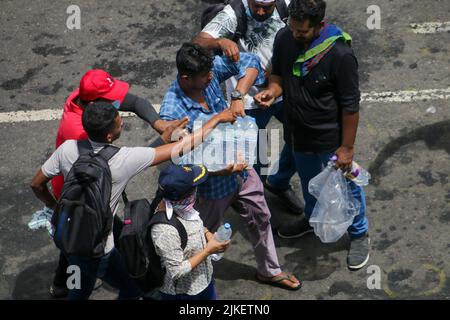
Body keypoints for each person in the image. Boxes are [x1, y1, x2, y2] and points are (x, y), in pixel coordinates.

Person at [30, 101, 236, 300]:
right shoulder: (123, 159)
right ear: (110, 135)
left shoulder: (67, 149)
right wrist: (217, 119)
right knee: (129, 290)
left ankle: (62, 287)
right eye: (120, 123)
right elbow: (182, 147)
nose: (122, 123)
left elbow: (37, 184)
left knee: (77, 278)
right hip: (99, 248)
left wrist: (54, 206)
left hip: (67, 232)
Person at [160, 43, 301, 290]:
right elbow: (180, 160)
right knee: (202, 239)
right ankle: (191, 285)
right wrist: (218, 168)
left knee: (261, 216)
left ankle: (269, 270)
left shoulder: (208, 70)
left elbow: (251, 63)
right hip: (210, 188)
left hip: (242, 171)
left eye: (211, 72)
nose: (212, 77)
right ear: (186, 78)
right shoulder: (173, 111)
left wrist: (238, 95)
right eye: (205, 76)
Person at [40, 68, 187, 298]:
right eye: (118, 122)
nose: (120, 111)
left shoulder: (81, 102)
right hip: (84, 191)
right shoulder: (77, 133)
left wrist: (159, 124)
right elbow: (118, 164)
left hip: (75, 196)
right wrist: (165, 140)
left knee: (74, 237)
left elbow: (136, 102)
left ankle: (62, 284)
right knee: (89, 246)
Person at [254, 0, 370, 270]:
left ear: (320, 25)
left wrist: (347, 149)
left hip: (331, 139)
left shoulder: (340, 55)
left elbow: (351, 107)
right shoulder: (285, 37)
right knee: (309, 183)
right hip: (297, 132)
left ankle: (359, 234)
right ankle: (310, 217)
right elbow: (279, 74)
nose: (296, 35)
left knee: (349, 186)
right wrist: (272, 91)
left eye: (302, 32)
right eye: (293, 29)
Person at [193, 0, 304, 214]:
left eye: (267, 8)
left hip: (282, 90)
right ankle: (258, 194)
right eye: (256, 7)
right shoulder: (233, 14)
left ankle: (279, 182)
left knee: (300, 136)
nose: (261, 12)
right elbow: (197, 42)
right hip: (246, 100)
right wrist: (220, 43)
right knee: (256, 152)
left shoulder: (288, 6)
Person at [150, 164, 230, 300]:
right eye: (194, 188)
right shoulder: (164, 230)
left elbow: (194, 224)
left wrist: (207, 234)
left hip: (204, 281)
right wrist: (208, 251)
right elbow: (176, 271)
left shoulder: (183, 207)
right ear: (186, 195)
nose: (196, 191)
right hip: (185, 293)